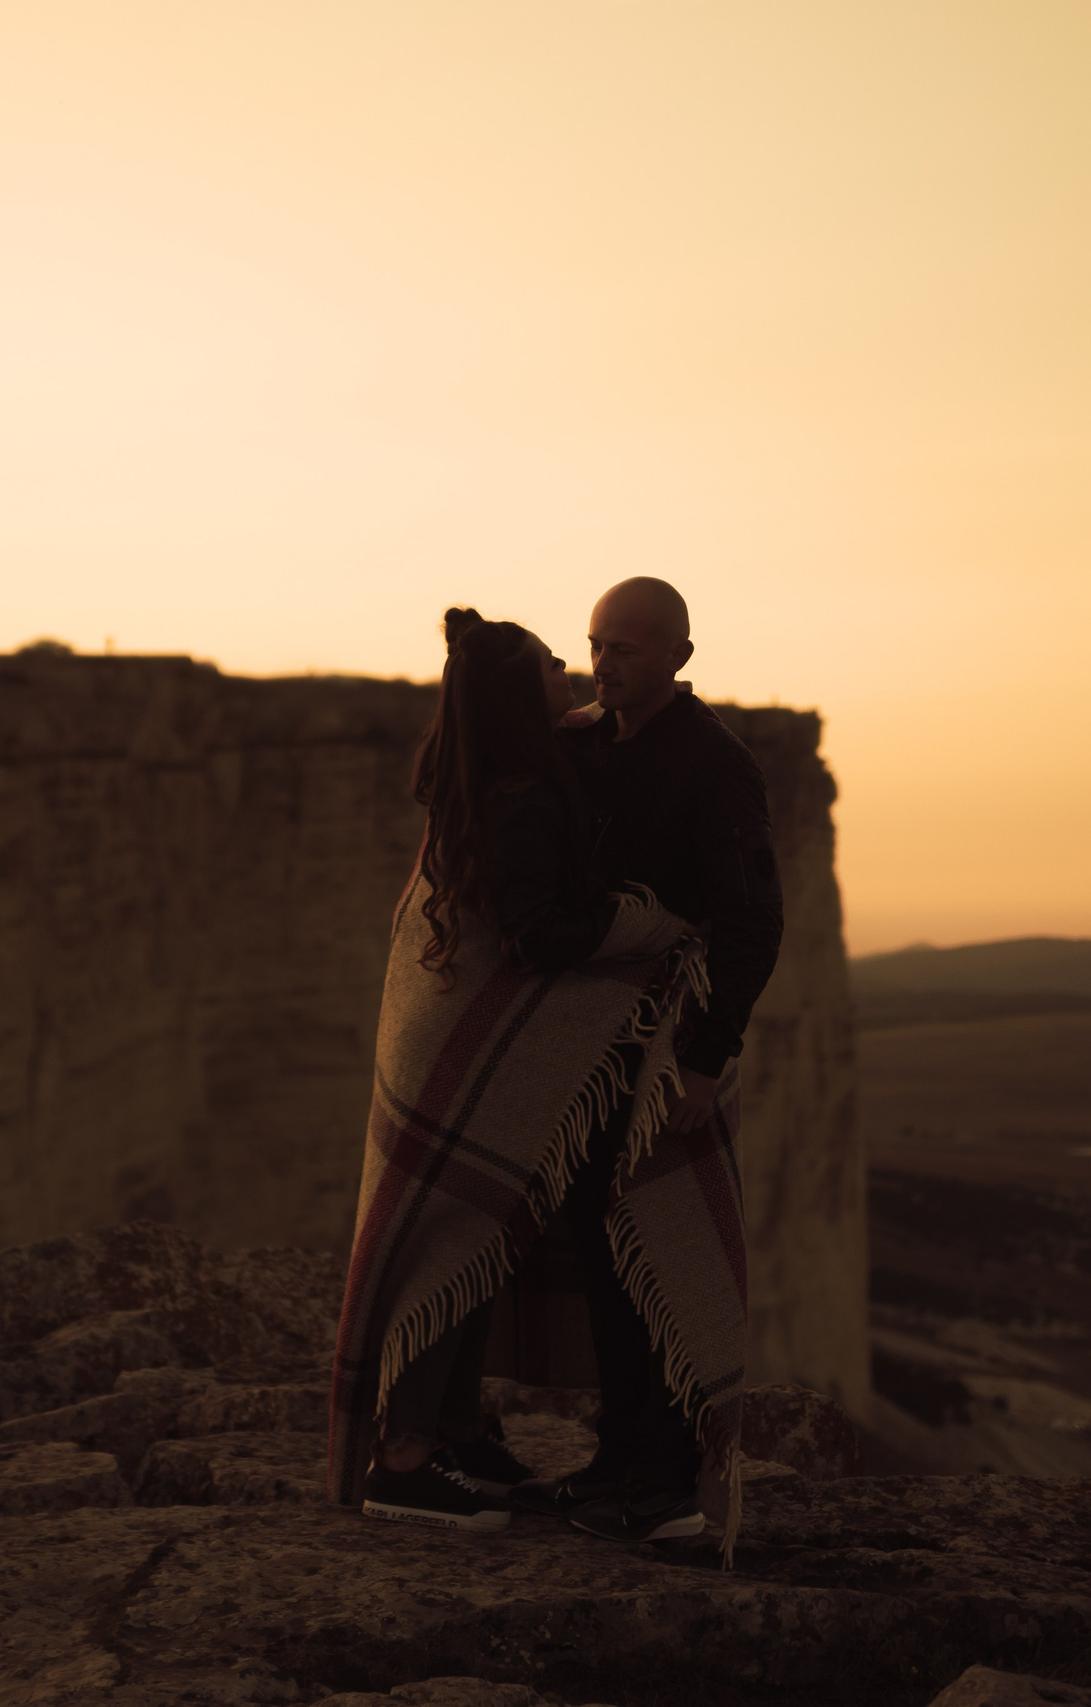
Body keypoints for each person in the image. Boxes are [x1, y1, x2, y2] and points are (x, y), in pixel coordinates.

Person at [327, 607, 720, 1536]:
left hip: (444, 1040)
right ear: (519, 690)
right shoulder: (524, 796)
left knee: (475, 1241)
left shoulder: (492, 772)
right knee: (453, 1243)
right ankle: (408, 1459)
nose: (573, 668)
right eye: (554, 660)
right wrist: (644, 925)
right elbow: (539, 935)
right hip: (477, 1046)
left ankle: (454, 1432)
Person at [513, 576, 783, 1544]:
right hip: (587, 1052)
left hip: (669, 1051)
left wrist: (705, 1064)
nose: (602, 663)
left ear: (677, 656)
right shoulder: (583, 745)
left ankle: (666, 1478)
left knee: (658, 1255)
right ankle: (617, 1460)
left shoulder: (715, 767)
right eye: (594, 645)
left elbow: (750, 925)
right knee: (599, 1252)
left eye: (623, 648)